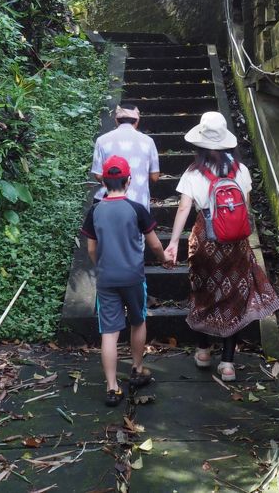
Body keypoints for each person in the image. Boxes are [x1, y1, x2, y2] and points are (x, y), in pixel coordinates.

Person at [164, 111, 279, 382]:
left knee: (204, 292)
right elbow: (246, 207)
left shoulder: (194, 172)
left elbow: (184, 207)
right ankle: (227, 364)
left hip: (206, 241)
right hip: (236, 243)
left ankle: (204, 351)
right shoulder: (240, 170)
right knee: (234, 297)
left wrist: (172, 243)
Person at [81, 155, 170, 406]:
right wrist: (164, 258)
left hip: (106, 277)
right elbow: (154, 244)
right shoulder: (136, 209)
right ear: (128, 180)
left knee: (109, 332)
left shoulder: (96, 210)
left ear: (104, 182)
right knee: (138, 320)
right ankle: (137, 369)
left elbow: (90, 249)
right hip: (133, 276)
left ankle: (112, 387)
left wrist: (100, 266)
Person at [91, 104, 160, 210]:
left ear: (116, 120)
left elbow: (98, 175)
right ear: (137, 121)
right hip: (139, 203)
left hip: (110, 202)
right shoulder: (148, 141)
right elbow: (155, 177)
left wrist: (113, 181)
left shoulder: (102, 140)